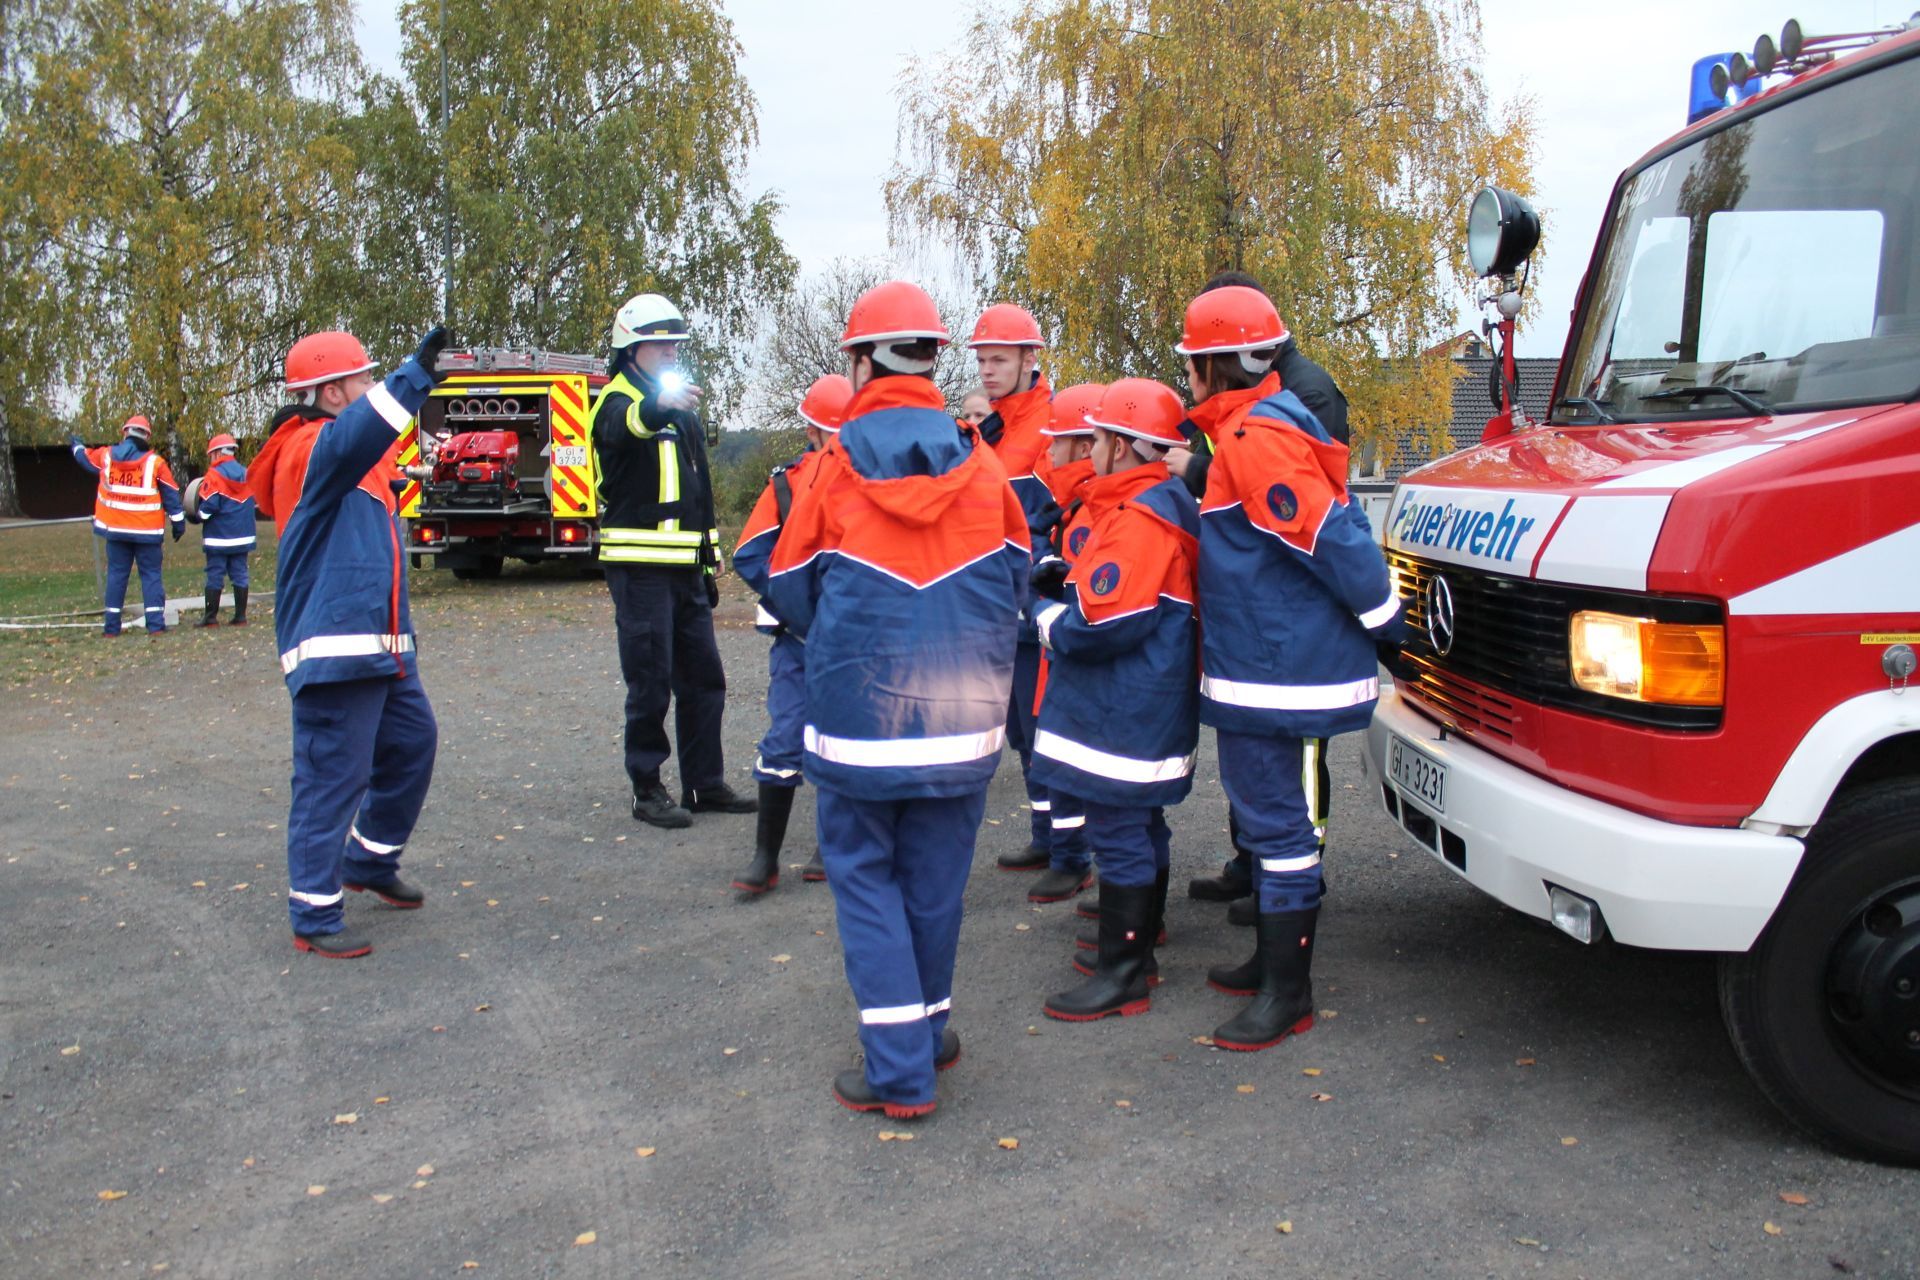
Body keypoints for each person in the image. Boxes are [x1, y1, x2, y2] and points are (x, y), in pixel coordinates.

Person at [768, 280, 1027, 1119]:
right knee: (935, 886)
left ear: (859, 361)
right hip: (963, 723)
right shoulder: (984, 464)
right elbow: (1017, 579)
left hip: (861, 722)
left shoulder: (832, 468)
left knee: (866, 883)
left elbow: (788, 586)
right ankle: (927, 1033)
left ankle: (899, 1072)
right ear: (932, 358)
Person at [1187, 285, 1405, 1050]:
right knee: (1265, 815)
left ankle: (1289, 992)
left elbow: (1332, 541)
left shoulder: (1255, 439)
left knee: (1278, 825)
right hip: (1265, 664)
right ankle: (1272, 965)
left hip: (1274, 670)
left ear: (1216, 367)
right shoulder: (1249, 431)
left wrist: (1389, 628)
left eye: (1193, 364)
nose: (1187, 378)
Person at [249, 328, 451, 958]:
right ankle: (313, 912)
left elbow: (370, 477)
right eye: (364, 379)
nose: (370, 388)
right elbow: (358, 438)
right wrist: (413, 377)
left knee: (412, 744)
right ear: (332, 392)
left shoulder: (345, 450)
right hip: (335, 647)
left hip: (380, 644)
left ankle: (368, 860)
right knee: (331, 779)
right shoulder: (310, 446)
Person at [1169, 273, 1347, 918]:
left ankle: (1298, 875)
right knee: (1255, 757)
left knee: (1298, 758)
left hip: (1293, 615)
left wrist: (1194, 471)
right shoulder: (1247, 389)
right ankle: (1254, 862)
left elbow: (1298, 503)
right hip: (1256, 609)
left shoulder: (1304, 391)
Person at [1029, 378, 1200, 1021]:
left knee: (1120, 830)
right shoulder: (1150, 504)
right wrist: (1065, 581)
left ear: (1122, 446)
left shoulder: (1139, 517)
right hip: (1142, 704)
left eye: (1097, 437)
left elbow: (1106, 624)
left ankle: (1122, 973)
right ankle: (1135, 952)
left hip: (1125, 709)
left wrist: (1043, 617)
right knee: (1139, 825)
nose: (1088, 448)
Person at [590, 293, 755, 829]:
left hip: (685, 568)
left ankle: (704, 785)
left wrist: (710, 554)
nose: (670, 352)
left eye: (675, 344)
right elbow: (629, 425)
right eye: (659, 344)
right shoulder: (615, 400)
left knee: (705, 679)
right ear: (630, 348)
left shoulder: (678, 406)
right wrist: (660, 404)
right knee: (650, 681)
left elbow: (696, 486)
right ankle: (647, 789)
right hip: (638, 570)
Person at [969, 304, 1090, 901]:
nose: (988, 370)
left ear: (1029, 360)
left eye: (999, 359)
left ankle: (1073, 854)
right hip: (1000, 608)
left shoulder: (1049, 426)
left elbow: (1058, 516)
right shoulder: (991, 429)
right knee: (1022, 732)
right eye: (982, 361)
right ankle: (1046, 836)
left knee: (1049, 731)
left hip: (1036, 607)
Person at [727, 373, 854, 894]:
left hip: (850, 645)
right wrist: (794, 600)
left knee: (843, 742)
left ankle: (832, 845)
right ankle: (766, 858)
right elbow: (749, 554)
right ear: (813, 432)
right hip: (798, 643)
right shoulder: (787, 485)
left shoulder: (869, 483)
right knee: (784, 738)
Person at [68, 415, 185, 636]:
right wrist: (178, 523)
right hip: (147, 533)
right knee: (151, 575)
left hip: (116, 530)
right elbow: (171, 494)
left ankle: (111, 628)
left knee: (116, 575)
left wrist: (76, 446)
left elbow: (85, 459)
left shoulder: (107, 456)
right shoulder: (156, 463)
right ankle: (155, 626)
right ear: (147, 436)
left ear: (125, 433)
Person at [188, 433, 256, 627]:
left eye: (211, 455)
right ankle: (240, 616)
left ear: (217, 453)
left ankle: (210, 617)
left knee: (215, 574)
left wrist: (196, 516)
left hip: (218, 537)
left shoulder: (214, 476)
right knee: (240, 574)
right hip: (243, 536)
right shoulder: (246, 474)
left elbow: (210, 506)